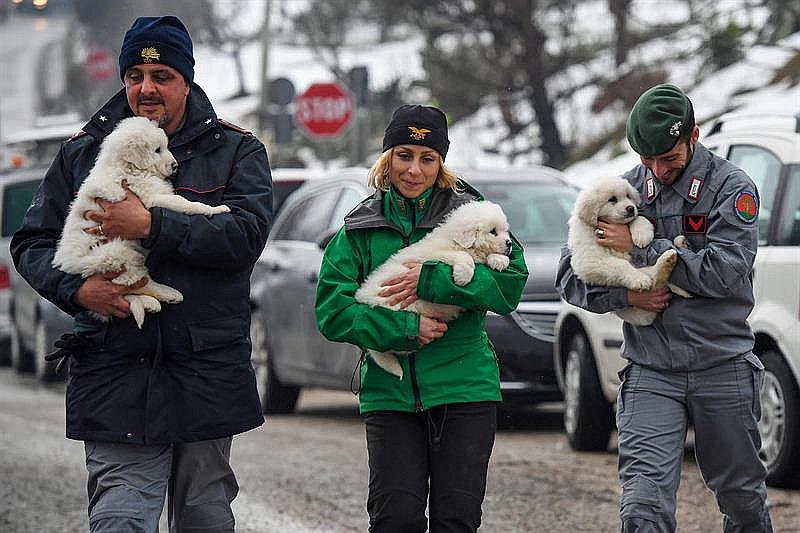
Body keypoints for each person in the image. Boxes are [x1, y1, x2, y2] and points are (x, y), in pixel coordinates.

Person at [11, 16, 272, 533]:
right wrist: (78, 290)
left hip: (205, 369)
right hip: (114, 367)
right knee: (120, 518)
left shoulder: (237, 150)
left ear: (186, 80)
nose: (146, 88)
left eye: (162, 76)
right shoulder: (83, 150)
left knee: (204, 518)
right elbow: (32, 242)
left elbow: (244, 236)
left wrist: (153, 225)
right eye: (135, 76)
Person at [556, 83, 772, 532]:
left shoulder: (731, 188)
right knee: (642, 505)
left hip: (722, 364)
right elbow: (570, 275)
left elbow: (725, 273)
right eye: (647, 159)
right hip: (651, 369)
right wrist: (628, 296)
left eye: (668, 158)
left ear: (693, 136)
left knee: (742, 499)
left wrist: (643, 250)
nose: (657, 170)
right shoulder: (620, 192)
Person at [315, 104, 528, 532]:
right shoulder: (359, 228)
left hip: (465, 389)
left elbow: (510, 286)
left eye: (427, 158)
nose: (414, 170)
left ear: (441, 163)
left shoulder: (475, 215)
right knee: (394, 519)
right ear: (387, 158)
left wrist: (435, 281)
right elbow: (333, 311)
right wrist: (405, 328)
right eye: (404, 155)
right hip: (389, 395)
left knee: (457, 520)